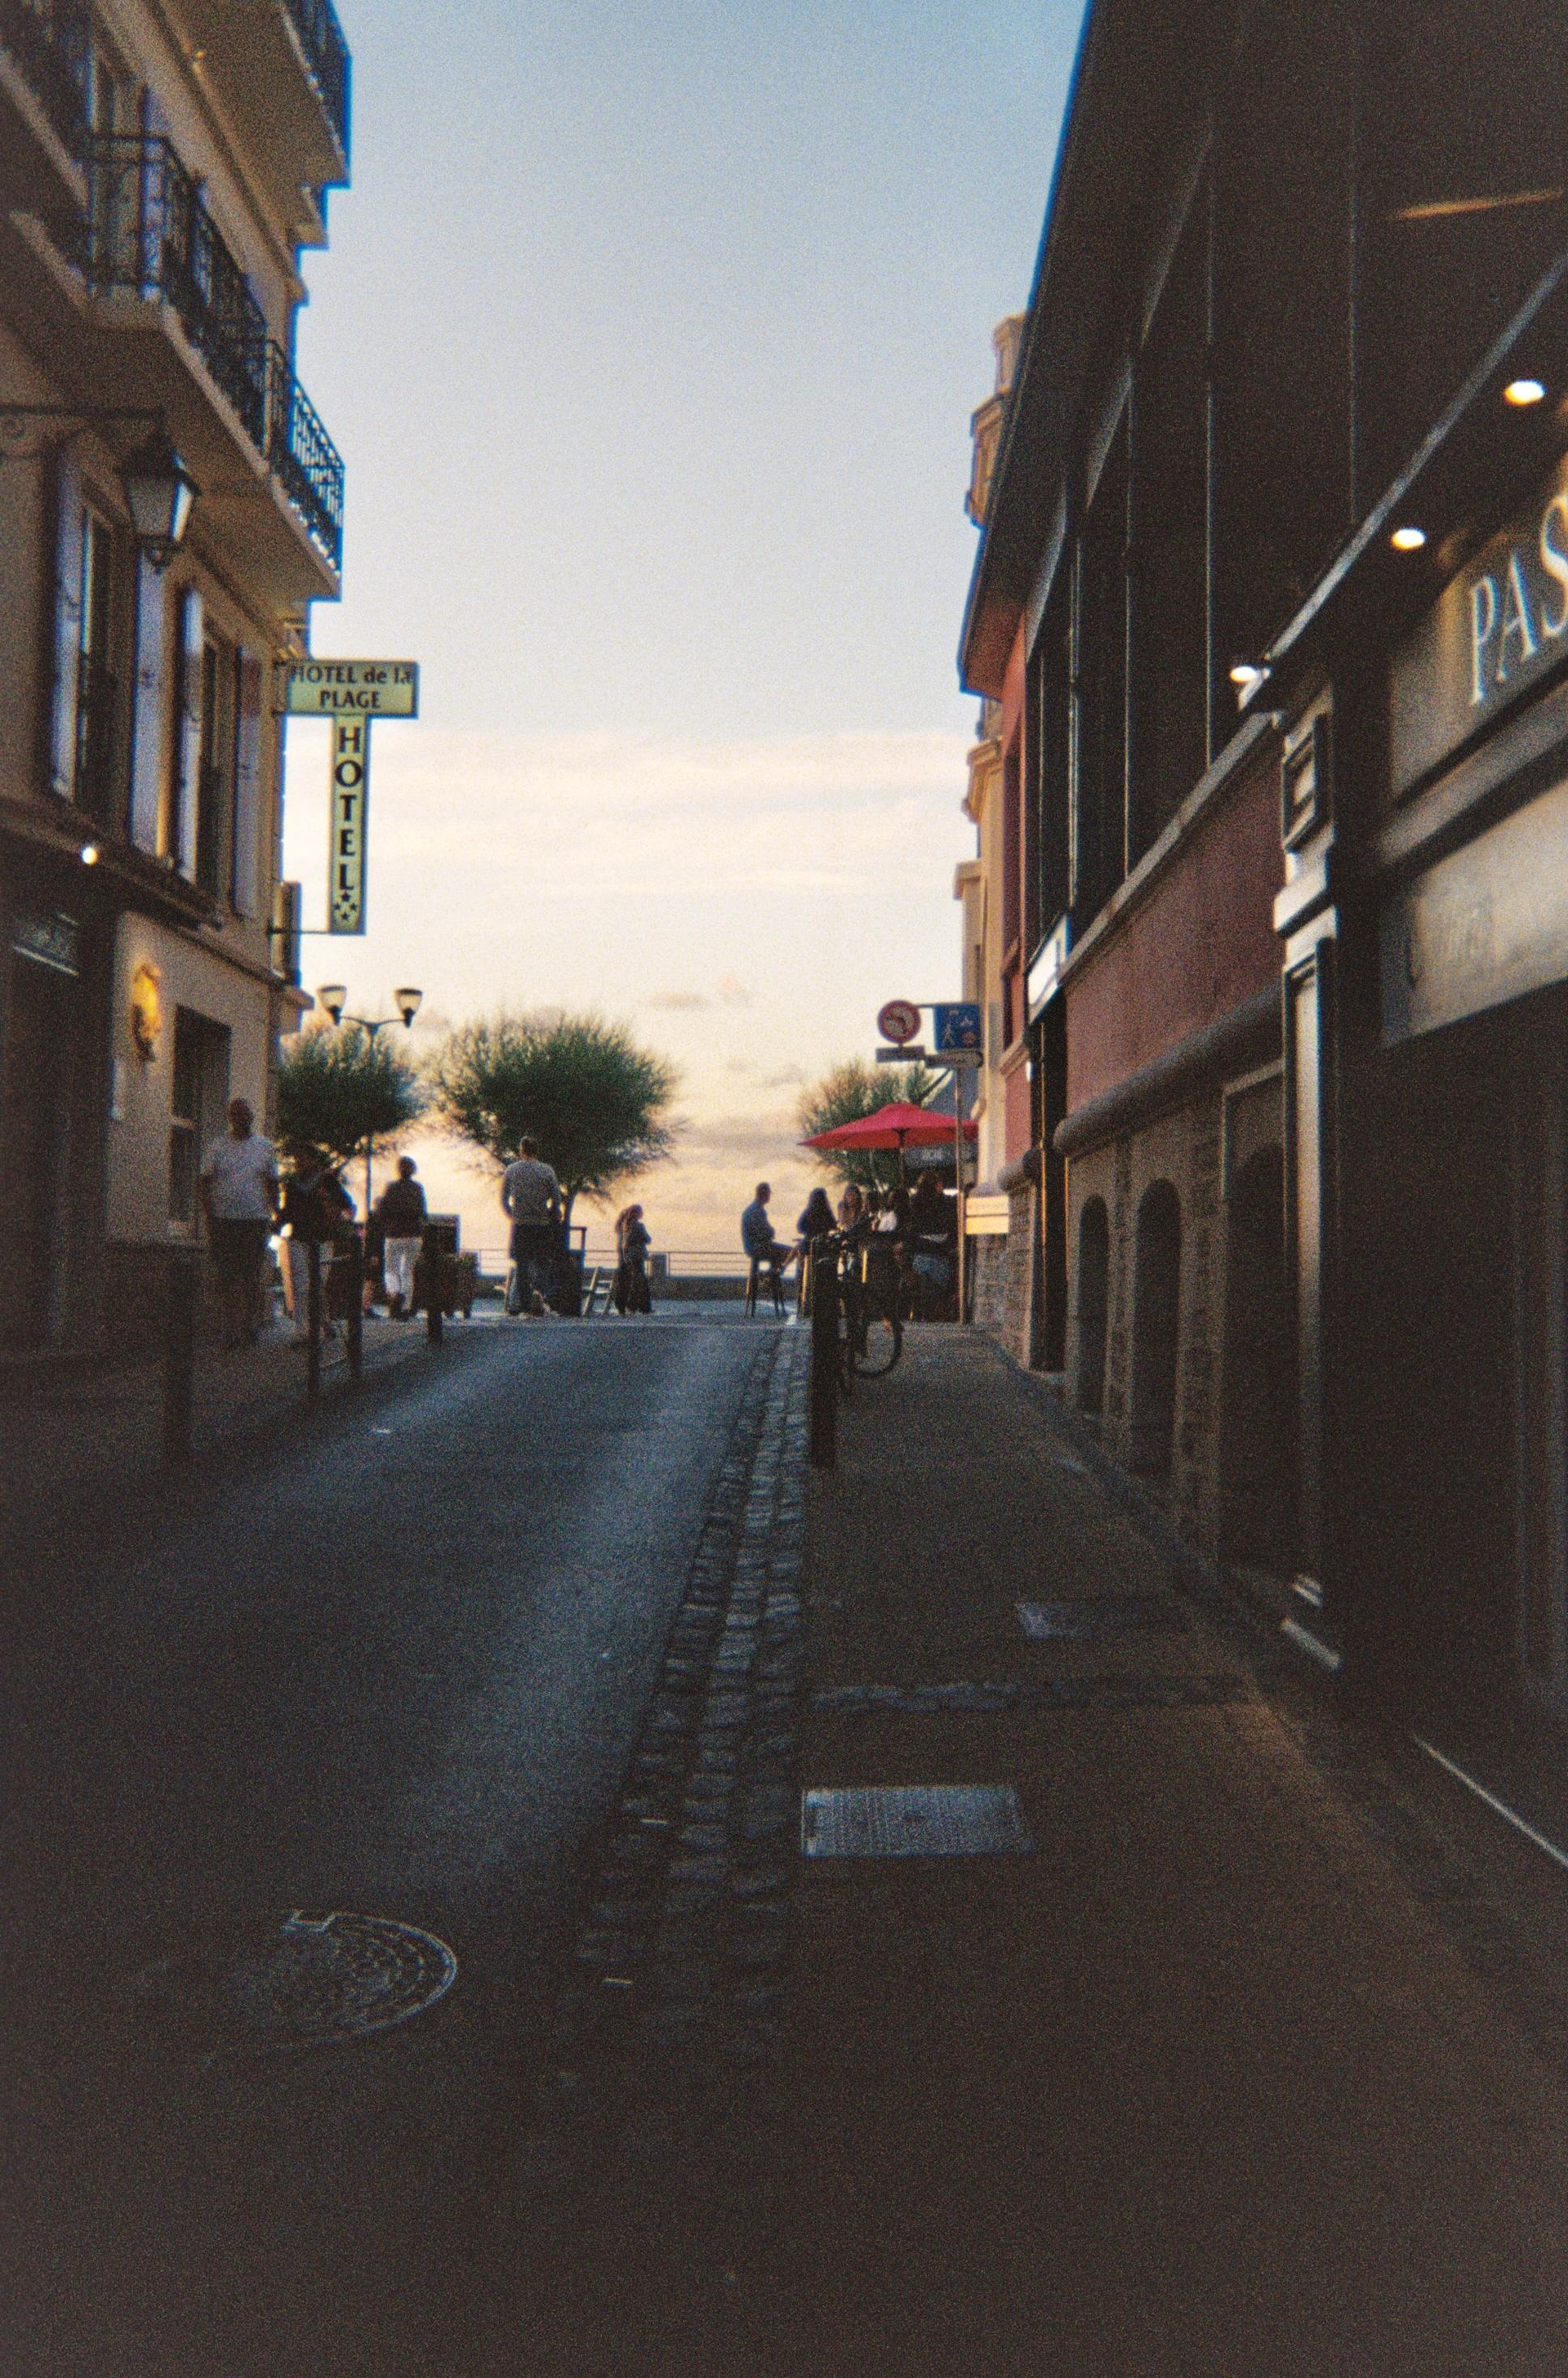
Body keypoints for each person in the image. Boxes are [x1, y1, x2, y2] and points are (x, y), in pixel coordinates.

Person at [200, 1097, 279, 1349]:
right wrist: (209, 1215)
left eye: (245, 1114)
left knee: (251, 1277)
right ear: (230, 1118)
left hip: (255, 1220)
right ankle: (230, 1329)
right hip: (224, 1220)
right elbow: (205, 1182)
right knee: (227, 1277)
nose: (240, 1119)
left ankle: (249, 1326)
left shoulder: (264, 1148)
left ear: (251, 1117)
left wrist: (275, 1214)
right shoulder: (217, 1147)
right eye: (235, 1115)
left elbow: (272, 1183)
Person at [278, 1143, 353, 1342]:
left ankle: (321, 1322)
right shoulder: (293, 1184)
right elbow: (289, 1210)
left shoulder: (327, 1181)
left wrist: (336, 1217)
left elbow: (346, 1205)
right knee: (301, 1285)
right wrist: (278, 1223)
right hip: (299, 1237)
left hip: (322, 1238)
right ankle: (303, 1330)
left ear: (313, 1159)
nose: (299, 1163)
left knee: (317, 1284)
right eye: (297, 1159)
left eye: (303, 1158)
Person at [501, 1134, 562, 1316]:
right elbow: (556, 1199)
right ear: (536, 1151)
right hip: (541, 1224)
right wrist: (551, 1214)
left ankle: (525, 1305)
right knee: (542, 1263)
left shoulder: (512, 1170)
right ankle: (539, 1294)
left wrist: (513, 1214)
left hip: (521, 1224)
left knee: (522, 1265)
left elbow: (504, 1200)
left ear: (521, 1151)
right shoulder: (546, 1170)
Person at [375, 1156, 427, 1318]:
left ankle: (395, 1294)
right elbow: (423, 1212)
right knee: (407, 1271)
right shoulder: (417, 1188)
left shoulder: (392, 1188)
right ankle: (406, 1306)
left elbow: (382, 1211)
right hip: (414, 1234)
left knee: (391, 1270)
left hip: (394, 1233)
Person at [907, 1174, 957, 1318]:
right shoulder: (946, 1202)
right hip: (941, 1250)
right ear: (937, 1185)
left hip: (921, 1250)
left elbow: (912, 1228)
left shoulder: (915, 1201)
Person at [741, 1181, 794, 1300]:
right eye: (769, 1194)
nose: (770, 1196)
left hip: (752, 1248)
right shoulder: (758, 1211)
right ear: (764, 1194)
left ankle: (771, 1275)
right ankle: (772, 1276)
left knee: (780, 1256)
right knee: (792, 1252)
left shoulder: (751, 1210)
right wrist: (770, 1232)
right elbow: (766, 1232)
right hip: (759, 1248)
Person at [613, 1203, 653, 1315]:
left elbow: (624, 1243)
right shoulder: (639, 1226)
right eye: (641, 1212)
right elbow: (648, 1239)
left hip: (625, 1257)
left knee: (625, 1282)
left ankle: (623, 1306)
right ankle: (643, 1307)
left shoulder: (623, 1226)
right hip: (637, 1257)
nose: (642, 1214)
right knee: (641, 1283)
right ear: (636, 1213)